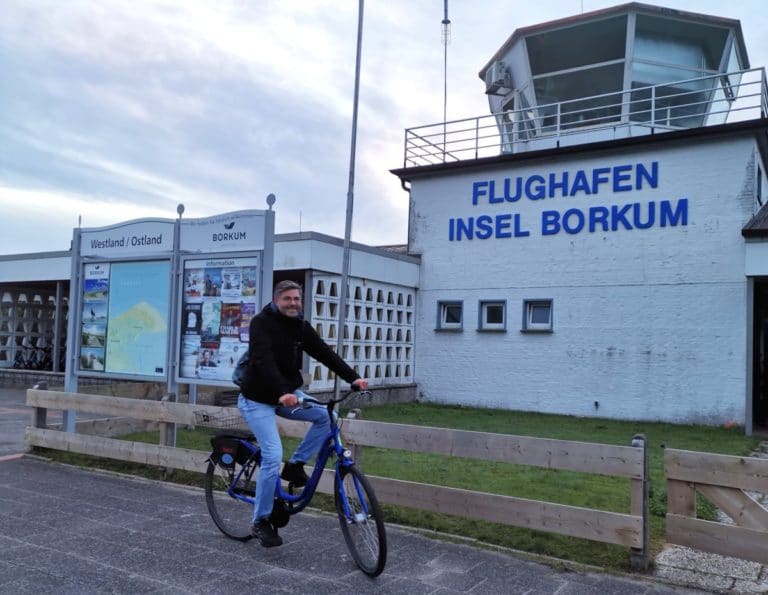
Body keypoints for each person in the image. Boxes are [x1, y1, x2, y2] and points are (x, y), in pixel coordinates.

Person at [237, 280, 368, 548]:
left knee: (325, 417)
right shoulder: (261, 323)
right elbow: (262, 360)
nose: (293, 303)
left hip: (288, 394)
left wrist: (353, 378)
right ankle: (260, 520)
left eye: (297, 299)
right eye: (288, 299)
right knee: (272, 455)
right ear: (276, 299)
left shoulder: (299, 325)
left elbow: (324, 353)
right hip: (257, 399)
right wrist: (282, 391)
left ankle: (295, 465)